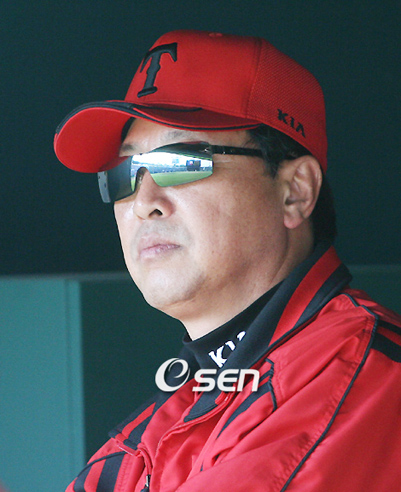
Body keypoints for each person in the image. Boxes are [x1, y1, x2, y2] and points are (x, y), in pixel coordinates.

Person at [54, 30, 401, 491]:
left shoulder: (362, 373)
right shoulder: (175, 411)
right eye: (125, 173)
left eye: (180, 161)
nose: (143, 202)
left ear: (295, 192)